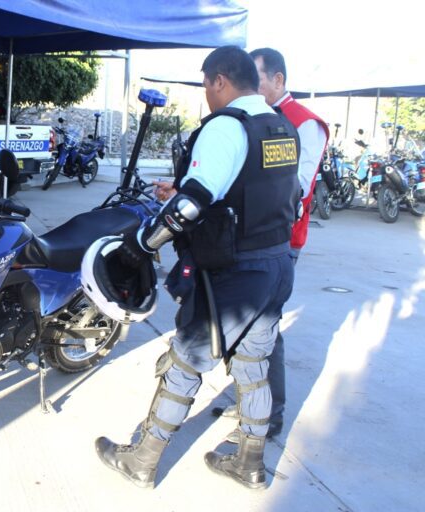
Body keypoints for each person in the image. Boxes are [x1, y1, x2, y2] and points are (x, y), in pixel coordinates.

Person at [89, 45, 300, 490]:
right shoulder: (280, 126)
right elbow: (284, 194)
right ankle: (250, 463)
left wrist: (142, 245)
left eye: (206, 85)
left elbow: (190, 206)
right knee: (253, 364)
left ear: (219, 80)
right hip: (276, 265)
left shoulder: (227, 127)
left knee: (184, 363)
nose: (207, 95)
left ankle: (142, 460)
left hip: (234, 273)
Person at [211, 48, 329, 443]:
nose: (251, 86)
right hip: (242, 239)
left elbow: (296, 190)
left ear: (278, 80)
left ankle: (270, 413)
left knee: (264, 329)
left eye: (257, 78)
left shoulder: (305, 124)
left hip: (277, 241)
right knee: (239, 326)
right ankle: (248, 402)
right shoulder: (251, 116)